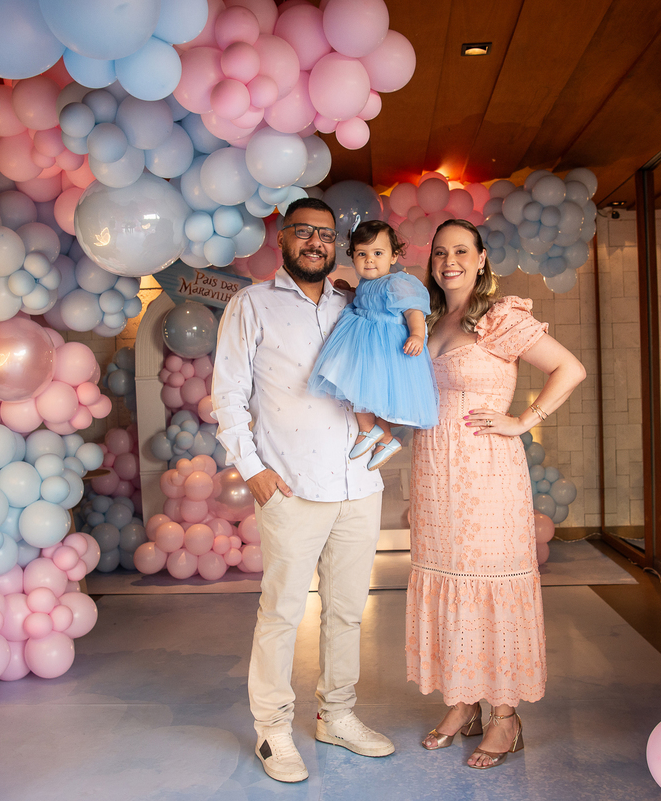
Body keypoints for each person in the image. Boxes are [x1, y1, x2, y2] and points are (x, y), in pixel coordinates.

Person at [211, 197, 394, 784]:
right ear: (283, 239)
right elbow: (228, 395)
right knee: (282, 612)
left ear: (336, 245)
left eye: (325, 235)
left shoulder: (353, 304)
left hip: (359, 482)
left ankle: (336, 716)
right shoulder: (251, 305)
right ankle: (272, 729)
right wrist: (252, 469)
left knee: (346, 611)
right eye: (304, 232)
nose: (316, 243)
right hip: (290, 485)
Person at [406, 219, 586, 769]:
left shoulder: (497, 317)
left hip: (486, 476)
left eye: (461, 250)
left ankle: (505, 716)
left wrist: (524, 420)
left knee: (487, 584)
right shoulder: (426, 320)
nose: (449, 261)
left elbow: (569, 368)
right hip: (434, 475)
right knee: (448, 578)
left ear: (482, 258)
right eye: (440, 252)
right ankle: (463, 704)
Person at [307, 220, 438, 470]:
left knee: (363, 389)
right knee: (362, 390)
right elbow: (368, 300)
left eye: (378, 253)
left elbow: (414, 310)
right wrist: (350, 291)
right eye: (361, 254)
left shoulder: (397, 282)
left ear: (393, 256)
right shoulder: (367, 283)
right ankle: (384, 437)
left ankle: (371, 430)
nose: (369, 260)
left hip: (385, 348)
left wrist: (417, 335)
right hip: (367, 343)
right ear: (352, 257)